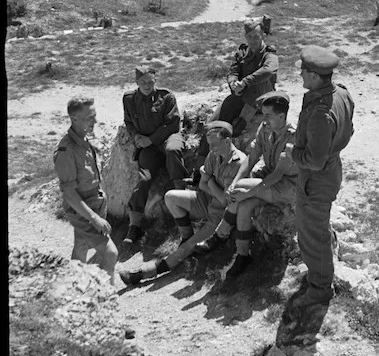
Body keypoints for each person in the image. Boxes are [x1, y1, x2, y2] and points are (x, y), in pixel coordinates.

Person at [119, 121, 246, 286]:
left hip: (220, 216)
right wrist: (209, 184)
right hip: (207, 201)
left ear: (228, 141)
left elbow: (224, 199)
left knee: (186, 249)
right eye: (209, 144)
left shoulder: (239, 163)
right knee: (171, 197)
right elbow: (202, 184)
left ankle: (144, 273)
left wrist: (210, 183)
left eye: (215, 144)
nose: (211, 148)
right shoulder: (214, 155)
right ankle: (187, 235)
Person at [194, 91, 298, 278]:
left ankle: (220, 235)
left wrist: (248, 191)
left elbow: (278, 174)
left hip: (287, 186)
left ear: (281, 116)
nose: (263, 119)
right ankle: (243, 255)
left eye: (268, 115)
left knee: (242, 193)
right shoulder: (265, 129)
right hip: (268, 178)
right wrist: (235, 183)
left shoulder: (293, 137)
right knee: (243, 205)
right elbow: (251, 159)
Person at [288, 45, 355, 307]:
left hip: (315, 179)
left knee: (310, 233)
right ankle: (323, 266)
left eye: (303, 71)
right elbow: (348, 131)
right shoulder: (341, 94)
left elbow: (314, 161)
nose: (300, 75)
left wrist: (294, 153)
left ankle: (320, 288)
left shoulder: (320, 113)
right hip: (331, 169)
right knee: (318, 226)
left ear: (315, 75)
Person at [53, 97, 118, 284]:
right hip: (83, 211)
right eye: (90, 117)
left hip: (95, 205)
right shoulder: (66, 151)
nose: (95, 121)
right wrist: (94, 218)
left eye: (94, 116)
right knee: (110, 253)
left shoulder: (83, 140)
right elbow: (70, 194)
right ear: (74, 118)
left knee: (81, 247)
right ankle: (105, 299)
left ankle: (73, 289)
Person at [122, 66, 189, 245]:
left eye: (150, 81)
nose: (147, 85)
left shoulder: (166, 97)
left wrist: (150, 139)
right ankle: (134, 224)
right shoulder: (129, 99)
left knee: (173, 150)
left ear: (155, 81)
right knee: (145, 178)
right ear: (136, 82)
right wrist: (136, 136)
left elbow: (173, 124)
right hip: (147, 146)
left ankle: (181, 197)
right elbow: (128, 121)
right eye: (143, 82)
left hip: (167, 138)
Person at [197, 17, 278, 159]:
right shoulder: (242, 53)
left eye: (256, 36)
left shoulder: (269, 55)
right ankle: (202, 159)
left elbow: (269, 71)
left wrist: (245, 82)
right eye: (249, 37)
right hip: (241, 95)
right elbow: (233, 72)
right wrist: (233, 83)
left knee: (237, 126)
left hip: (260, 100)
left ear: (263, 36)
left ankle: (241, 125)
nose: (253, 40)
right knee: (213, 124)